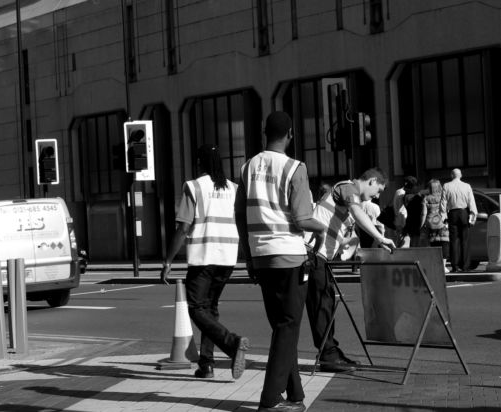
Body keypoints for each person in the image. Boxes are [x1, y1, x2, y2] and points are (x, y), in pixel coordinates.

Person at [235, 111, 326, 412]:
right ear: (289, 134)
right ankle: (270, 401)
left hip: (261, 257)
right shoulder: (294, 167)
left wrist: (248, 258)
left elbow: (240, 217)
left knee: (281, 327)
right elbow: (302, 217)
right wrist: (321, 229)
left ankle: (296, 396)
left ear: (264, 133)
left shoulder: (247, 168)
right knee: (288, 326)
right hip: (289, 256)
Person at [160, 144, 249, 381]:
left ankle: (232, 343)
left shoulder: (194, 186)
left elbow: (183, 228)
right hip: (227, 258)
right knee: (210, 309)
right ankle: (206, 365)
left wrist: (168, 260)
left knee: (196, 308)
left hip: (204, 257)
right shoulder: (233, 188)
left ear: (199, 163)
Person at [307, 168, 396, 373]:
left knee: (325, 305)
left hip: (320, 257)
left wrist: (348, 241)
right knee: (321, 307)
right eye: (379, 190)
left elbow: (336, 226)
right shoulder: (347, 187)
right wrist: (380, 238)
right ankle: (328, 356)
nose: (378, 196)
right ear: (372, 181)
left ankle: (330, 352)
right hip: (314, 256)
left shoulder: (347, 197)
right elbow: (357, 211)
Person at [440, 168, 477, 273]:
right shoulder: (467, 186)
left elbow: (443, 203)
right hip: (464, 213)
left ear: (452, 175)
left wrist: (444, 217)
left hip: (452, 213)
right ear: (460, 175)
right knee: (465, 240)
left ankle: (455, 266)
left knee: (454, 240)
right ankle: (465, 266)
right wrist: (473, 216)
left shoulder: (446, 186)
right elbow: (471, 202)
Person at [421, 179, 449, 272]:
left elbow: (424, 213)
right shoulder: (443, 197)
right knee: (444, 243)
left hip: (430, 223)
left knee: (434, 244)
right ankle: (443, 266)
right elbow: (446, 210)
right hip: (442, 222)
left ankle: (437, 265)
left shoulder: (426, 198)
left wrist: (422, 224)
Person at [393, 176, 418, 247]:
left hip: (398, 218)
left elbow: (395, 205)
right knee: (405, 240)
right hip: (403, 218)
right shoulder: (404, 193)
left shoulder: (398, 191)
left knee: (400, 239)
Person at [402, 180, 425, 247]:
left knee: (413, 241)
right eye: (416, 186)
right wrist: (420, 194)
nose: (418, 188)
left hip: (411, 220)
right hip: (414, 221)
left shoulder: (407, 196)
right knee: (415, 243)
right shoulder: (409, 197)